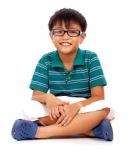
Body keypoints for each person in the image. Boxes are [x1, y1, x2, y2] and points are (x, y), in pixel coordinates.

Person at [11, 8, 115, 141]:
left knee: (107, 107)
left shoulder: (91, 58)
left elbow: (98, 97)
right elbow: (36, 96)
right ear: (51, 36)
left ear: (82, 37)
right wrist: (49, 99)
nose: (65, 37)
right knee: (28, 109)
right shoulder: (45, 61)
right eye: (59, 31)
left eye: (72, 32)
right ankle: (90, 129)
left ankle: (40, 132)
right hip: (57, 107)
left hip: (83, 106)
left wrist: (76, 107)